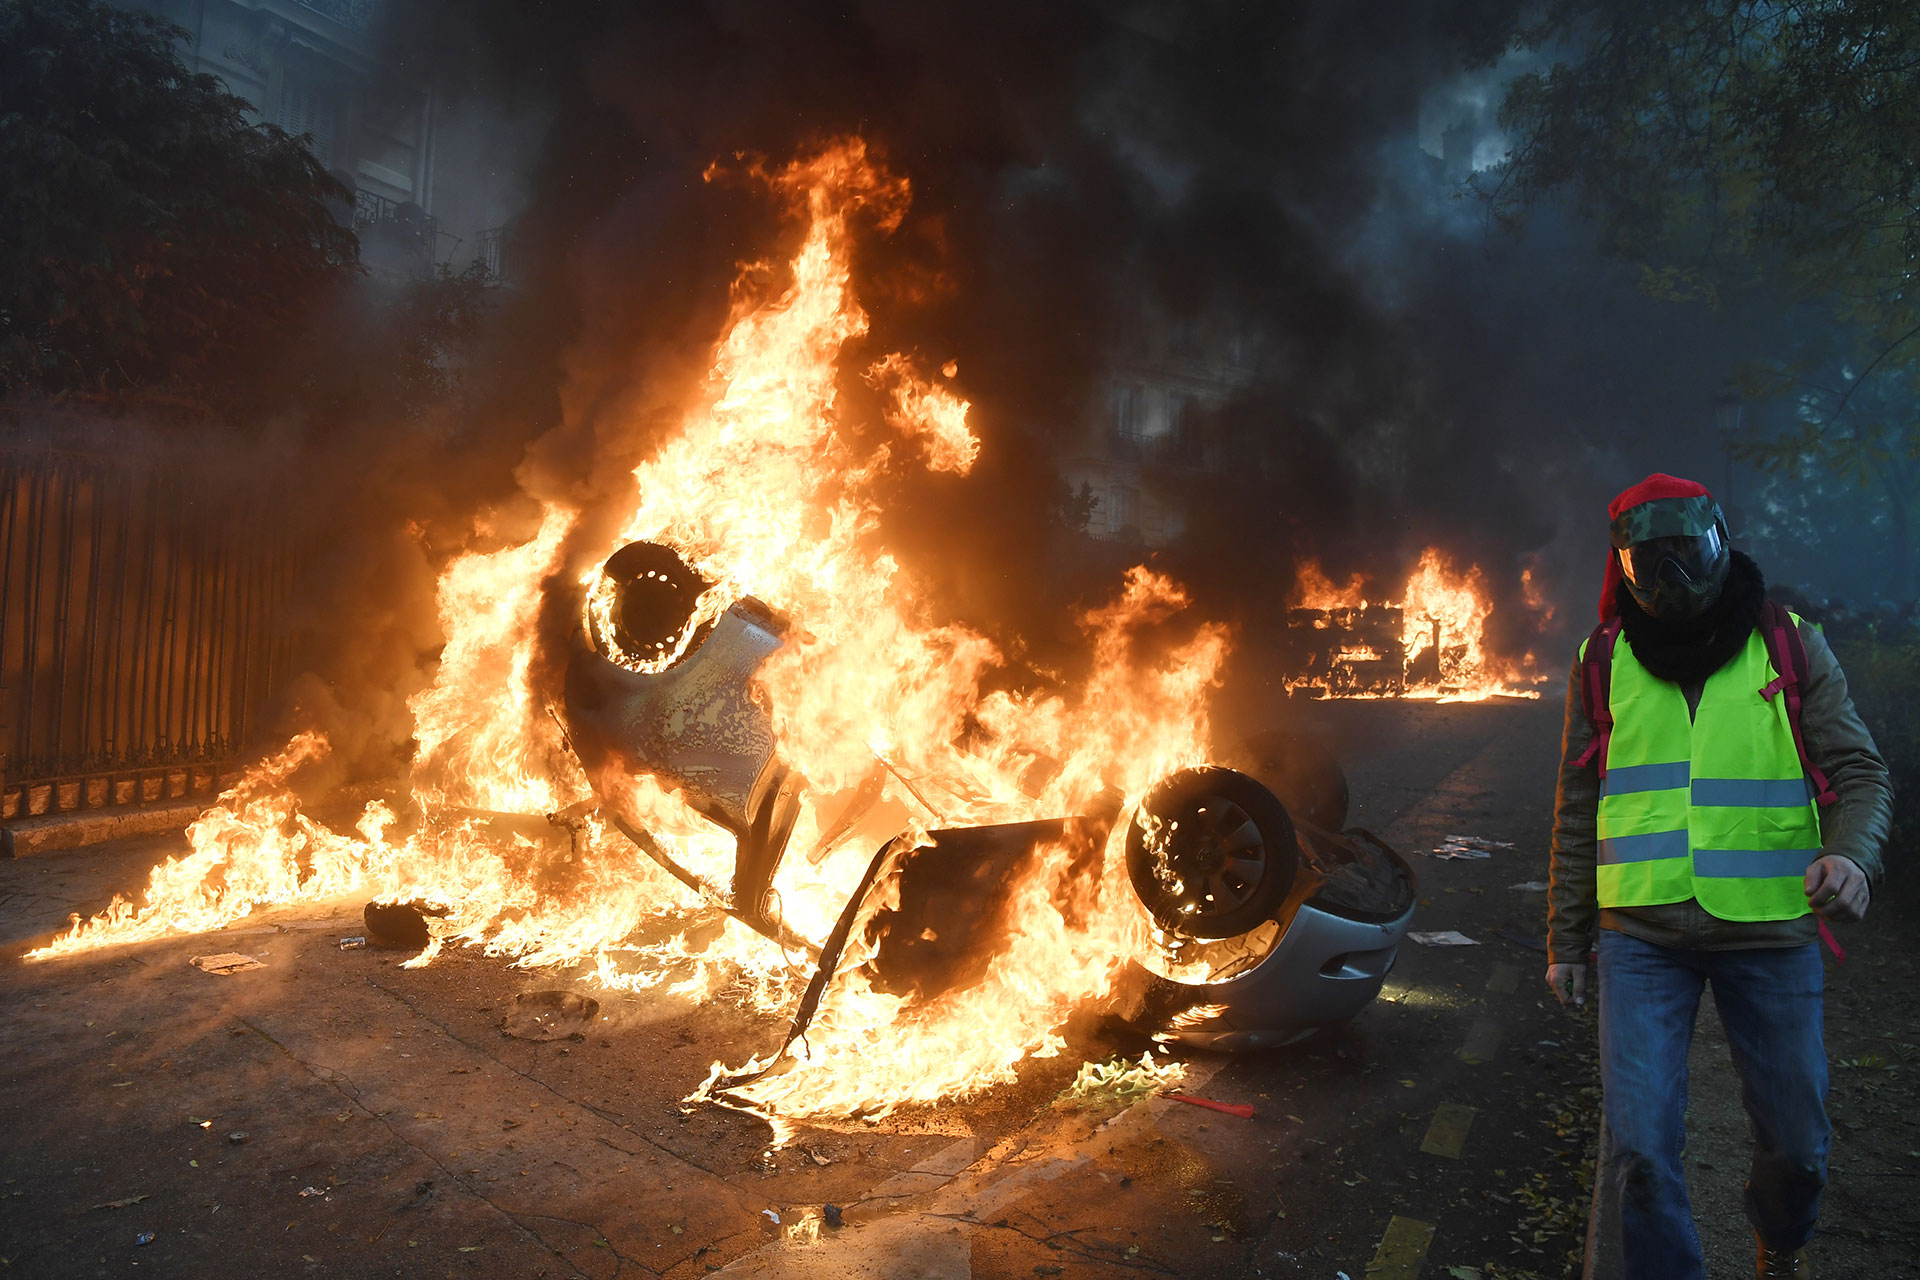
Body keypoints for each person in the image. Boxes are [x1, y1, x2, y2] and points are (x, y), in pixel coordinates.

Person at [1544, 473, 1892, 1280]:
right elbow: (1576, 804)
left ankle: (1783, 1242)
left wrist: (1850, 854)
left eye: (1684, 554)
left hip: (1770, 933)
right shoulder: (1602, 661)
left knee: (1798, 1148)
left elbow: (1860, 773)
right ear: (1622, 568)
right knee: (1638, 1157)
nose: (1669, 579)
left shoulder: (1790, 643)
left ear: (1721, 541)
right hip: (1641, 937)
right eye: (1647, 564)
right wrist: (1566, 940)